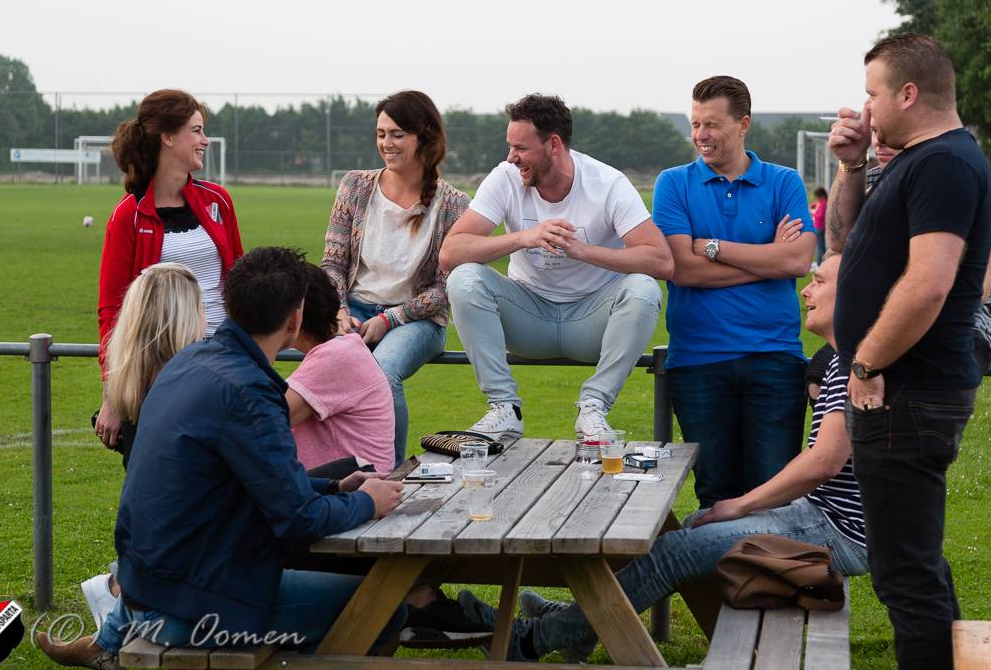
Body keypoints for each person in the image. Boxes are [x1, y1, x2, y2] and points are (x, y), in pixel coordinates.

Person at [451, 253, 866, 661]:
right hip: (822, 515)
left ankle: (531, 641)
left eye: (820, 283)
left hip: (838, 530)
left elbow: (824, 462)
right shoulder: (842, 359)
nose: (806, 291)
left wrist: (740, 505)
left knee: (676, 550)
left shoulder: (853, 364)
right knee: (690, 527)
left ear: (854, 295)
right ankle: (581, 626)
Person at [38, 247, 406, 670]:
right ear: (295, 320)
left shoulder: (190, 364)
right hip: (191, 607)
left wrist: (334, 486)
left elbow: (258, 483)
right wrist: (368, 502)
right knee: (384, 608)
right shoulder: (248, 392)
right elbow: (299, 519)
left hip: (145, 590)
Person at [825, 33, 991, 670]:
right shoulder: (918, 161)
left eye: (872, 93)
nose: (865, 107)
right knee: (916, 565)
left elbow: (928, 284)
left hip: (904, 393)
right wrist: (851, 167)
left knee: (905, 577)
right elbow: (844, 241)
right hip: (903, 391)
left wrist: (867, 361)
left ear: (908, 94)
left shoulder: (944, 163)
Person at [439, 93, 673, 438]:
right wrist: (524, 238)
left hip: (592, 322)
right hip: (527, 318)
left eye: (520, 148)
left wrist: (584, 251)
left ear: (553, 144)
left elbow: (661, 260)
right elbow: (450, 253)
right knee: (464, 278)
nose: (511, 157)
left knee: (643, 290)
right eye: (510, 147)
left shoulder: (607, 184)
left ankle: (593, 407)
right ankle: (505, 408)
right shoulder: (505, 178)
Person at [651, 76, 814, 507]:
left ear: (744, 124)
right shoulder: (673, 183)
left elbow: (797, 262)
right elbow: (682, 269)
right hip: (698, 362)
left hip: (775, 358)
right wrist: (767, 261)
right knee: (715, 494)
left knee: (773, 494)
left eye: (712, 124)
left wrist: (713, 247)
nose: (700, 135)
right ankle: (724, 559)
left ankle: (763, 558)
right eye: (695, 124)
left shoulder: (784, 182)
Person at [322, 90, 470, 465]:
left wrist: (390, 319)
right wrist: (338, 310)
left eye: (397, 134)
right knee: (323, 370)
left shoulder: (454, 205)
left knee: (382, 373)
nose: (386, 143)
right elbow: (332, 263)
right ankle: (330, 471)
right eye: (381, 134)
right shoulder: (355, 186)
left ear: (424, 137)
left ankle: (390, 476)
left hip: (418, 319)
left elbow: (445, 289)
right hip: (353, 310)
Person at [95, 89, 243, 451]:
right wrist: (112, 394)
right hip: (158, 372)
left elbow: (240, 283)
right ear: (168, 137)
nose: (205, 140)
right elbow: (112, 311)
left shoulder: (219, 201)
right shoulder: (128, 215)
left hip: (221, 363)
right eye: (196, 130)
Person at [70, 263, 207, 635]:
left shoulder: (137, 382)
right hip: (178, 575)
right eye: (201, 306)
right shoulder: (189, 390)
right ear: (182, 318)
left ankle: (114, 599)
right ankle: (116, 592)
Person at [867, 133, 991, 374]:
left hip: (957, 317)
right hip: (883, 314)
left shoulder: (964, 180)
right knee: (820, 372)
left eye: (888, 130)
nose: (880, 141)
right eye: (874, 130)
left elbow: (980, 288)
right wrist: (849, 166)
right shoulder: (868, 181)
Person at [287, 262, 396, 474]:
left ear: (293, 318)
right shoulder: (343, 349)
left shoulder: (336, 357)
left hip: (350, 489)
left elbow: (263, 421)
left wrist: (261, 343)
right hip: (345, 485)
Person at [810, 186, 829, 263]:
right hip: (818, 226)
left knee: (820, 246)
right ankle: (820, 262)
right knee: (819, 245)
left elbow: (820, 215)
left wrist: (813, 213)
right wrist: (813, 207)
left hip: (820, 227)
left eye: (817, 197)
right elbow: (813, 205)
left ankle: (820, 263)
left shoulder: (823, 203)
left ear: (821, 196)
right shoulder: (821, 202)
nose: (816, 199)